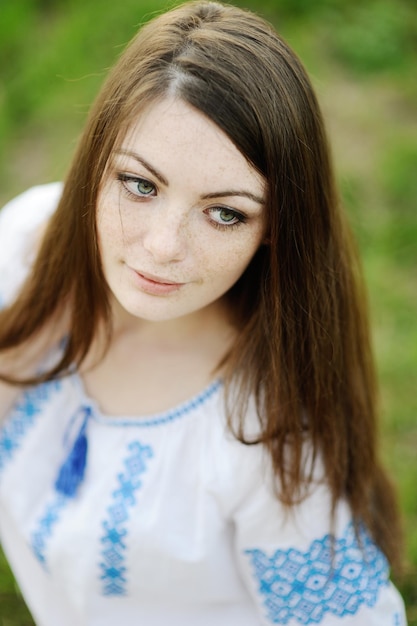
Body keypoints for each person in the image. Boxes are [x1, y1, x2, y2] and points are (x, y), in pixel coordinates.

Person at [0, 1, 408, 624]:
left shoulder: (271, 444)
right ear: (96, 166)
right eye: (140, 184)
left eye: (225, 213)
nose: (163, 247)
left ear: (275, 228)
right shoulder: (28, 243)